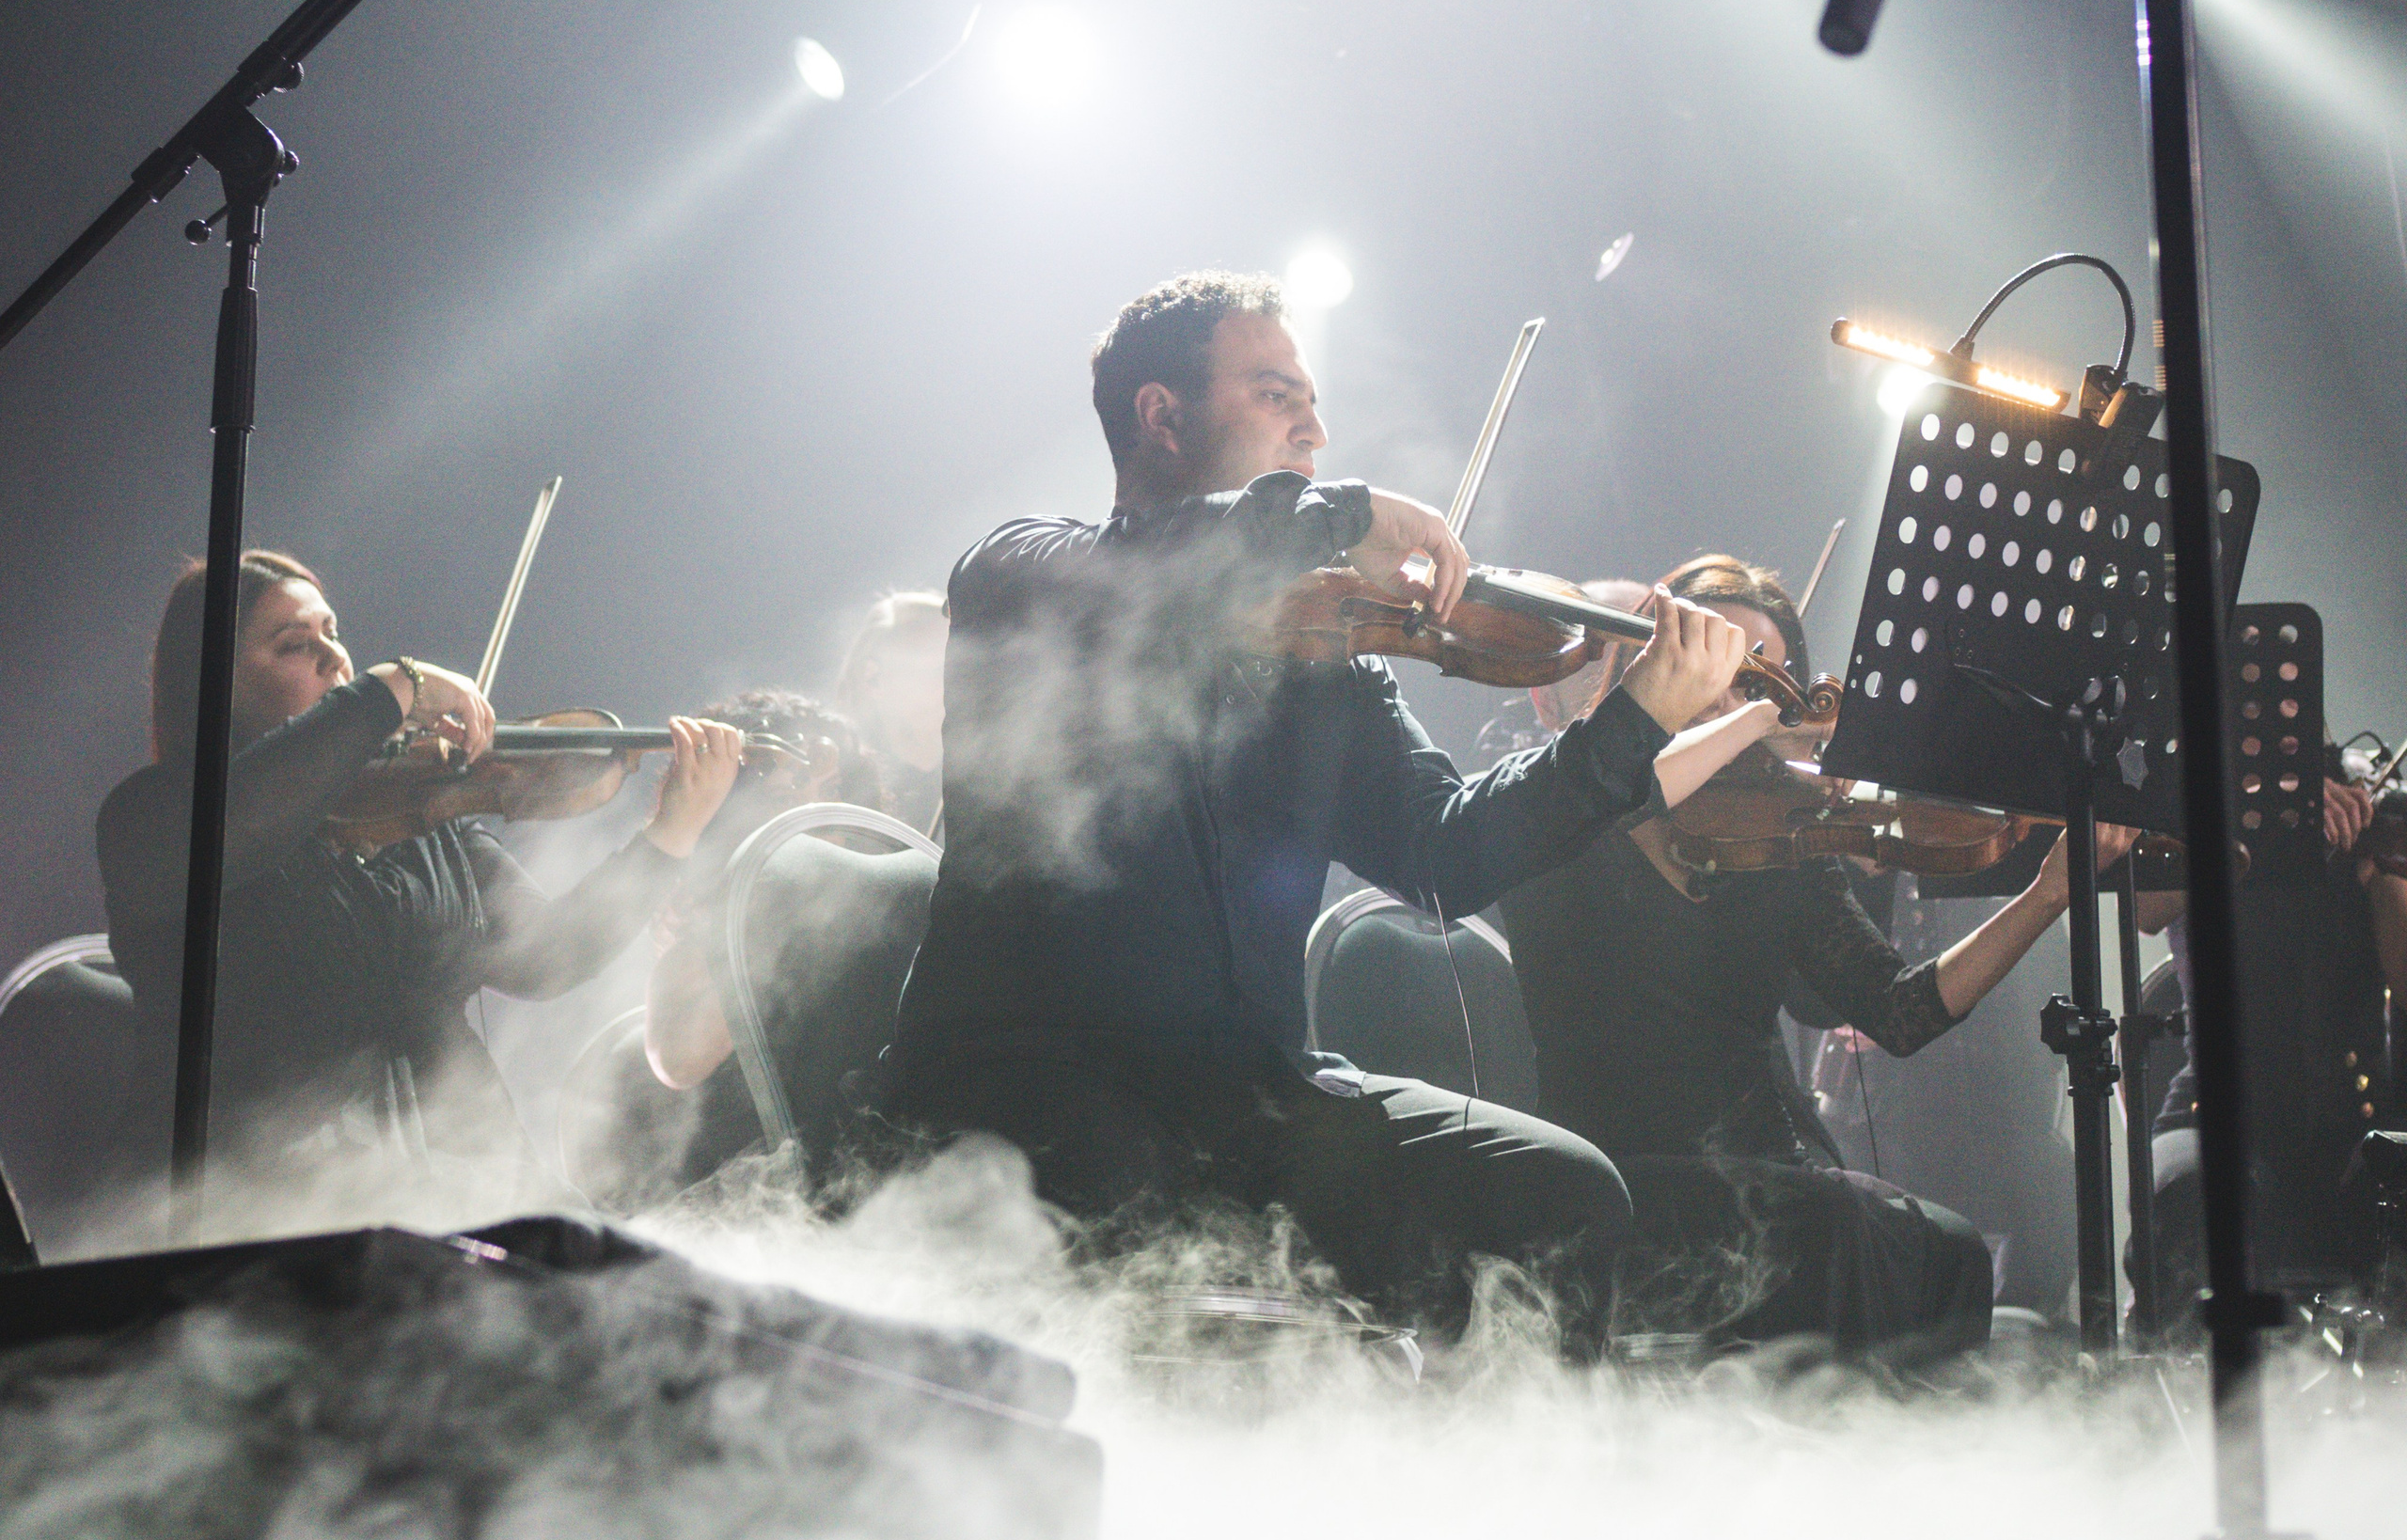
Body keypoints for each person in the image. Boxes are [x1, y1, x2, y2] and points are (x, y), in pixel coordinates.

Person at [878, 271, 1763, 1359]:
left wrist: (1631, 724)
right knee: (1128, 1197)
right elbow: (1145, 569)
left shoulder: (1323, 660)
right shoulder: (1026, 573)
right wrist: (1342, 511)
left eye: (1312, 400)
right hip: (1029, 1089)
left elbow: (1449, 852)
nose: (1315, 427)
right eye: (1274, 394)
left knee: (1564, 1195)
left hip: (1247, 1104)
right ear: (1161, 415)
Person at [1497, 553, 2138, 1356]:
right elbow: (1625, 790)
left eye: (1759, 685)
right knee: (1834, 1230)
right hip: (1618, 1175)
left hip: (1763, 1175)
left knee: (1949, 1252)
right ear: (1656, 659)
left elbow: (1899, 1010)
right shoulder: (1565, 798)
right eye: (1721, 672)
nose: (1731, 703)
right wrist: (1760, 720)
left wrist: (2046, 895)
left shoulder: (1777, 837)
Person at [96, 550, 746, 1218]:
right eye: (295, 644)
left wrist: (671, 834)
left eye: (333, 633)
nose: (334, 658)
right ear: (215, 684)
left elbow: (547, 958)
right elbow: (250, 818)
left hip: (467, 1191)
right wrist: (395, 685)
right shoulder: (154, 820)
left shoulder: (419, 820)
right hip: (259, 1207)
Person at [2133, 762, 2407, 1328]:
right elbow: (2144, 909)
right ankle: (2190, 1372)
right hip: (2214, 1110)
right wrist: (2260, 819)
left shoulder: (2366, 820)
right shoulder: (2204, 816)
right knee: (2190, 1196)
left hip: (2356, 1120)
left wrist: (2384, 876)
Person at [644, 688, 884, 1092]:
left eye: (830, 792)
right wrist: (775, 924)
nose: (816, 818)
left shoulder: (878, 921)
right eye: (783, 798)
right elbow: (680, 1061)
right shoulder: (697, 951)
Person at [836, 592, 948, 838]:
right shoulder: (838, 782)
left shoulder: (996, 775)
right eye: (931, 670)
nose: (951, 683)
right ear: (872, 677)